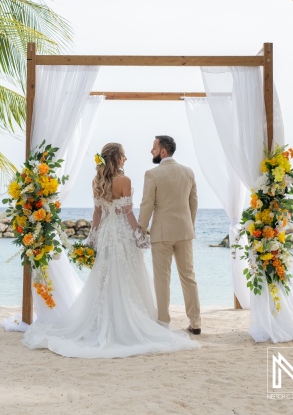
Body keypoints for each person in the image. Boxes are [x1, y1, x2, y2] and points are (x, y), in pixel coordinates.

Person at [22, 142, 199, 358]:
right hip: (122, 233)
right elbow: (127, 213)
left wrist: (93, 237)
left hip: (106, 233)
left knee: (105, 275)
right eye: (123, 156)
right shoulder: (125, 181)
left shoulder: (97, 181)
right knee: (128, 274)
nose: (126, 159)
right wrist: (138, 233)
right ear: (116, 158)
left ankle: (104, 318)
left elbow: (97, 213)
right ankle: (134, 321)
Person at [138, 135, 201, 335]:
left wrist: (141, 229)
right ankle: (196, 322)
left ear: (163, 151)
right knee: (188, 277)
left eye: (154, 147)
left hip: (162, 233)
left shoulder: (152, 174)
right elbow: (194, 203)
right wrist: (188, 226)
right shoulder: (188, 172)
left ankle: (164, 322)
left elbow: (147, 204)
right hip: (184, 231)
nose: (151, 151)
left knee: (162, 279)